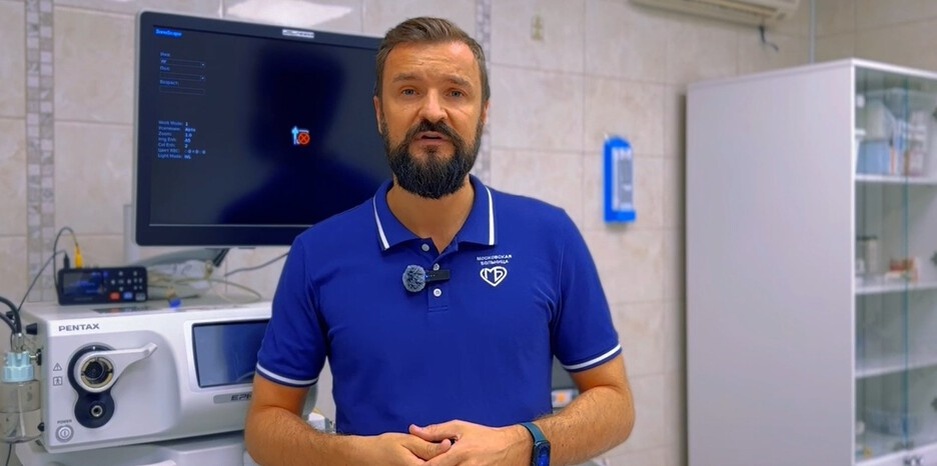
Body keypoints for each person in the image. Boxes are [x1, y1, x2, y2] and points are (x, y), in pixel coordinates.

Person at [245, 16, 634, 466]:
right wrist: (355, 455)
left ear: (483, 113)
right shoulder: (316, 254)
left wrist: (522, 444)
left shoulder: (551, 236)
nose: (432, 112)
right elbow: (264, 426)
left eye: (455, 92)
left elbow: (615, 404)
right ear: (379, 113)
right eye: (409, 91)